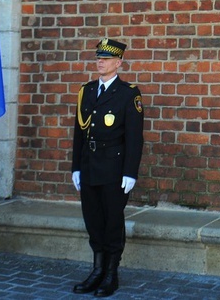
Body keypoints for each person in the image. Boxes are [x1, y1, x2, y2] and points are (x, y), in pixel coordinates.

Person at [71, 38, 144, 297]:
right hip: (89, 166)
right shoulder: (87, 91)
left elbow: (135, 138)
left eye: (106, 58)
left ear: (118, 63)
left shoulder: (128, 94)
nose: (100, 62)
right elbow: (79, 133)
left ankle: (111, 273)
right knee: (93, 219)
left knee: (112, 221)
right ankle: (97, 270)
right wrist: (76, 167)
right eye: (98, 58)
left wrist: (130, 172)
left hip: (114, 169)